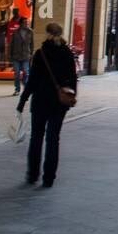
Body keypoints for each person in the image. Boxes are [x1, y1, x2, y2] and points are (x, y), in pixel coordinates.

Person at [16, 22, 77, 188]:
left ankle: (32, 174)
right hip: (59, 103)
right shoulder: (67, 54)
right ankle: (49, 177)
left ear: (47, 33)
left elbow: (32, 80)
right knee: (53, 139)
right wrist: (71, 98)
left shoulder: (41, 53)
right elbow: (73, 78)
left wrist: (23, 99)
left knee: (36, 137)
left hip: (41, 100)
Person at [9, 14, 34, 96]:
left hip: (26, 55)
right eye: (25, 22)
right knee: (16, 73)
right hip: (16, 56)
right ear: (21, 23)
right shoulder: (15, 32)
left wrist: (31, 54)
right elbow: (11, 44)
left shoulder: (30, 32)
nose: (26, 23)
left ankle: (25, 85)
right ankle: (17, 89)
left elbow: (32, 44)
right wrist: (10, 55)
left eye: (27, 22)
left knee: (26, 72)